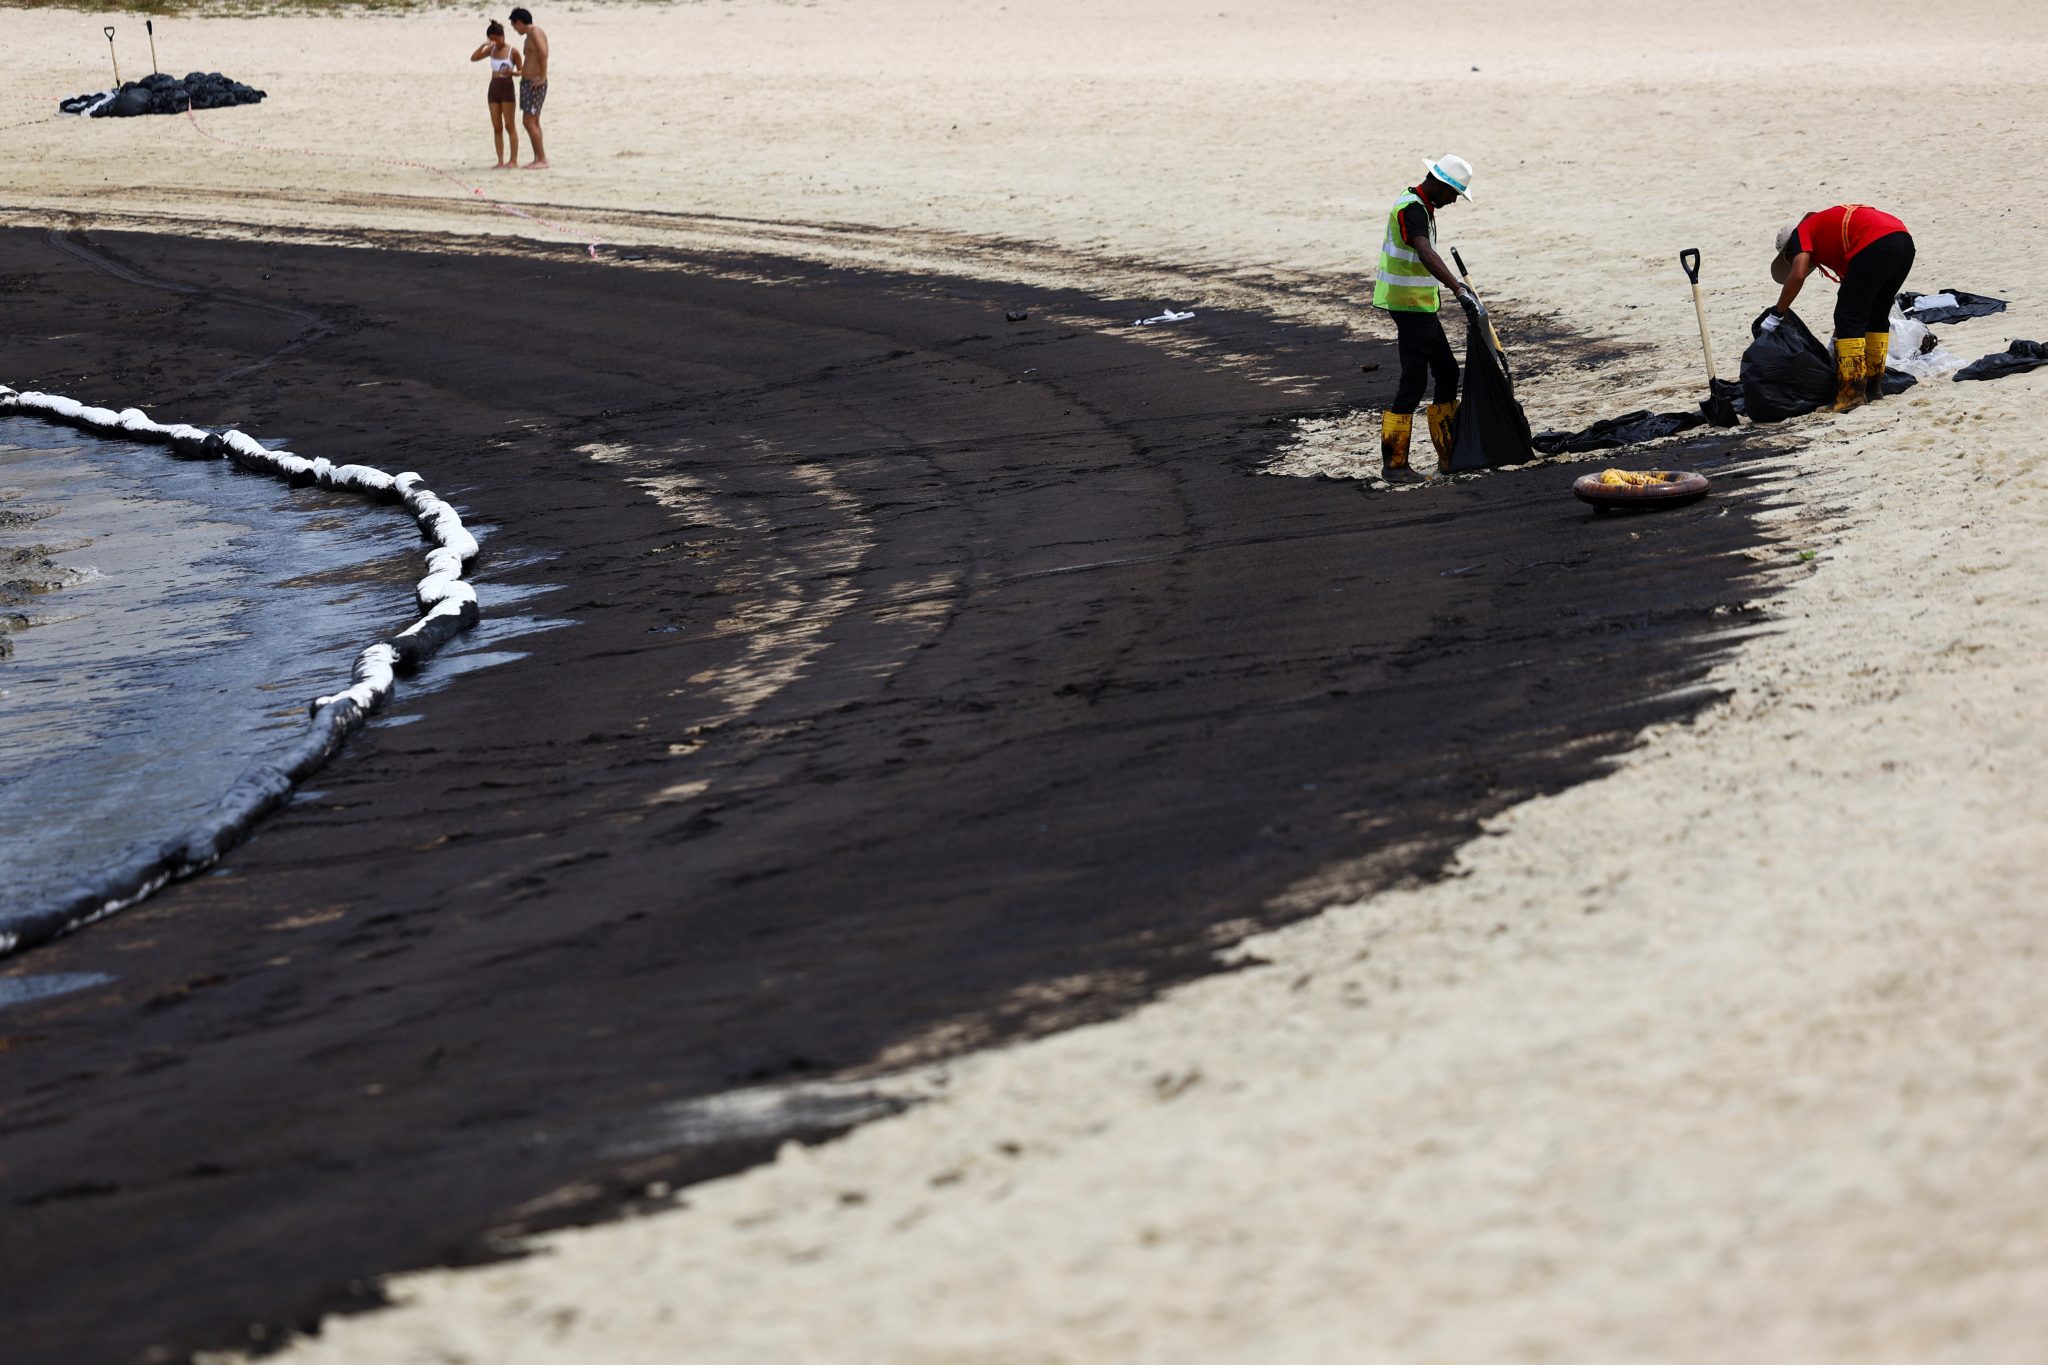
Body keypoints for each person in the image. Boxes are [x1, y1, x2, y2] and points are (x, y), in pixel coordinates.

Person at [1373, 155, 1481, 481]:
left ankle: (1449, 456)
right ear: (1441, 184)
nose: (1452, 201)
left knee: (1447, 373)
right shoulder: (1412, 209)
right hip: (1408, 307)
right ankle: (1394, 466)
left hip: (1421, 306)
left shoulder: (1422, 206)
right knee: (1414, 382)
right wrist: (1456, 288)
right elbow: (1424, 251)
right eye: (1453, 194)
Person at [1767, 204, 1916, 413]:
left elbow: (1798, 275)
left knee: (1848, 314)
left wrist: (1777, 313)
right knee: (1875, 313)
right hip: (1902, 242)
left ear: (1790, 249)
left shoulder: (1802, 233)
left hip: (1876, 242)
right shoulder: (1833, 240)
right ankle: (1873, 388)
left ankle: (1851, 395)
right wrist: (1837, 342)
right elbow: (1856, 303)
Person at [470, 21, 522, 169]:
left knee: (509, 125)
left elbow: (521, 70)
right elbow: (473, 58)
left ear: (502, 36)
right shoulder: (491, 50)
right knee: (497, 126)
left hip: (507, 87)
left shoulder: (513, 51)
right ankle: (500, 160)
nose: (495, 42)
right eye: (491, 39)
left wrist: (512, 72)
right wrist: (483, 46)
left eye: (496, 39)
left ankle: (513, 160)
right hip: (494, 87)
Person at [510, 7, 550, 170]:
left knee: (528, 121)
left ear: (518, 22)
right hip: (528, 83)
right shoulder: (529, 36)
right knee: (534, 121)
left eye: (514, 25)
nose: (514, 28)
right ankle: (538, 158)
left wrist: (542, 77)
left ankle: (542, 159)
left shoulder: (535, 32)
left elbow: (543, 53)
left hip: (535, 84)